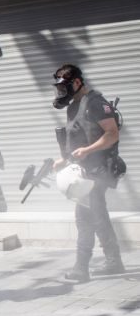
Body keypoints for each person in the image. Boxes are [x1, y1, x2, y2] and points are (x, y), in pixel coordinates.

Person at [51, 64, 124, 282]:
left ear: (77, 82)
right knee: (99, 217)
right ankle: (114, 262)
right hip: (84, 172)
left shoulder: (95, 103)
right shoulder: (74, 106)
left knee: (84, 219)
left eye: (65, 87)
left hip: (97, 171)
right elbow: (78, 139)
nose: (62, 93)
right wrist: (64, 159)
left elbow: (112, 134)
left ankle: (81, 269)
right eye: (59, 89)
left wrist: (88, 151)